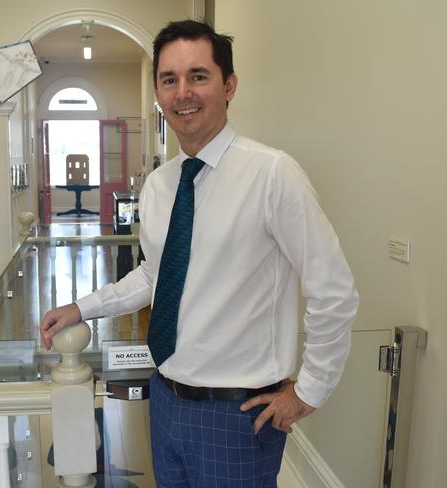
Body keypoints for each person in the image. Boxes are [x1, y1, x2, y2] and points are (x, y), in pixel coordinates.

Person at [41, 20, 358, 487]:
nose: (183, 92)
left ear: (228, 85)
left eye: (198, 76)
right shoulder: (159, 185)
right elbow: (155, 275)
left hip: (238, 414)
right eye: (170, 79)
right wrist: (82, 307)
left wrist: (308, 391)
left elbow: (334, 291)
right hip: (165, 397)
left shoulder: (273, 175)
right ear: (157, 93)